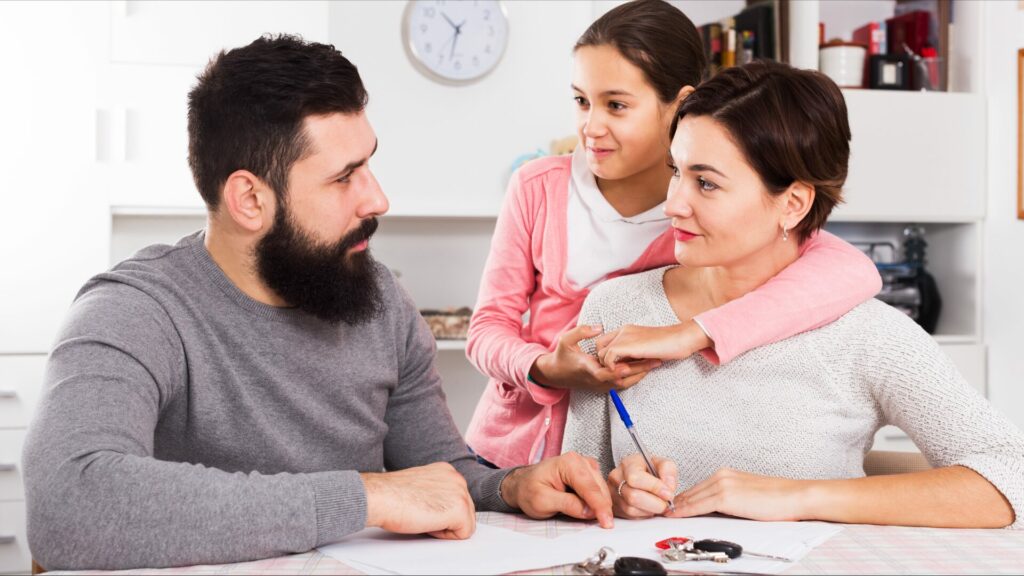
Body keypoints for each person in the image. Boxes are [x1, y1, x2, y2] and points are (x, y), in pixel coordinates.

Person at [21, 35, 616, 571]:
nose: (378, 198)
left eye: (371, 163)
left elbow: (436, 473)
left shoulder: (381, 300)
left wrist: (512, 487)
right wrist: (367, 496)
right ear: (249, 200)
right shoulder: (135, 311)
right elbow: (68, 502)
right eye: (343, 177)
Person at [564, 60, 1023, 529]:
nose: (673, 203)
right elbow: (578, 484)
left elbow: (1013, 479)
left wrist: (797, 498)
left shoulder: (869, 337)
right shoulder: (614, 309)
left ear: (793, 204)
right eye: (675, 171)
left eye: (706, 182)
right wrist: (616, 495)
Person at [464, 0, 882, 469]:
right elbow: (486, 329)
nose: (590, 127)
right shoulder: (538, 186)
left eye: (616, 105)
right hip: (506, 453)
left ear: (681, 104)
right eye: (581, 101)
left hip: (622, 461)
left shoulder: (704, 215)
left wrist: (690, 334)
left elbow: (851, 270)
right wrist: (543, 367)